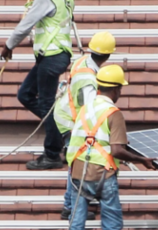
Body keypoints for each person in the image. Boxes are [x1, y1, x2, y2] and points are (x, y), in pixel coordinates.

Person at [0, 0, 74, 170]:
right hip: (53, 55)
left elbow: (26, 24)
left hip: (52, 56)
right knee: (25, 94)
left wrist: (8, 45)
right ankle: (63, 131)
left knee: (46, 104)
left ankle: (52, 154)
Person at [66, 64, 158, 230]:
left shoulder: (85, 109)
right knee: (112, 225)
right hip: (103, 174)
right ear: (116, 90)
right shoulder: (113, 113)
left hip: (78, 173)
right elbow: (116, 150)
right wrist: (141, 159)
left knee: (76, 223)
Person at [55, 31, 117, 220]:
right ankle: (70, 206)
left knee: (76, 159)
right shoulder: (88, 80)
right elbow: (91, 109)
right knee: (76, 160)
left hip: (67, 114)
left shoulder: (83, 61)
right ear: (108, 55)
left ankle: (70, 204)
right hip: (71, 120)